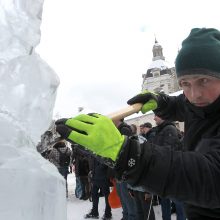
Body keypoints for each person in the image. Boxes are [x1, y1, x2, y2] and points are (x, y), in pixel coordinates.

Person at [55, 28, 220, 219]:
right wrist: (162, 102)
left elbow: (211, 177)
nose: (194, 94)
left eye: (204, 81)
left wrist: (128, 154)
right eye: (185, 83)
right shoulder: (201, 102)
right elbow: (183, 104)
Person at [151, 114, 186, 220]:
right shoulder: (159, 130)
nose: (154, 118)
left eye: (156, 115)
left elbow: (168, 151)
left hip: (171, 173)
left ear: (164, 116)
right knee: (164, 201)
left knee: (177, 201)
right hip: (162, 173)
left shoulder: (170, 129)